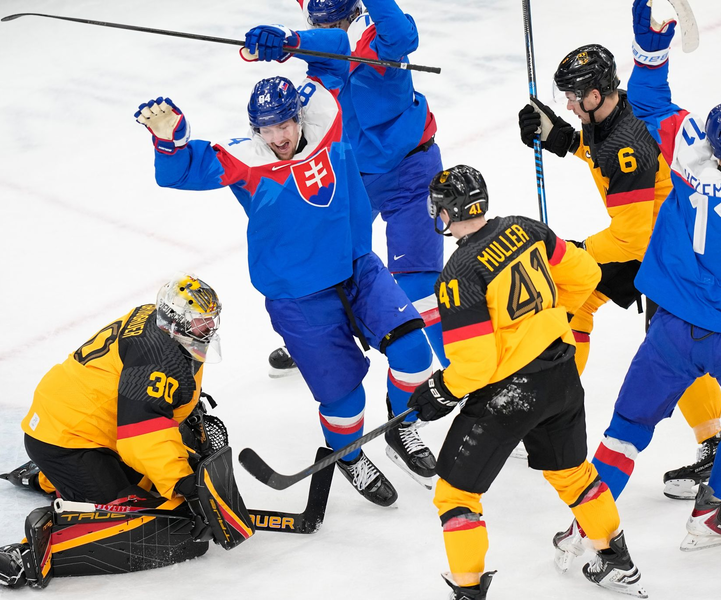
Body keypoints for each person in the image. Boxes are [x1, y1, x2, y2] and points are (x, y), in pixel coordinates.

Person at [136, 26, 438, 502]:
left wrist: (288, 41)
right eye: (268, 128)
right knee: (345, 400)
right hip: (300, 298)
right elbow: (177, 172)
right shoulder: (246, 159)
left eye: (285, 123)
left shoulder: (326, 117)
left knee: (416, 357)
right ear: (256, 129)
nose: (279, 136)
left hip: (358, 269)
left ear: (298, 115)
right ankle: (351, 457)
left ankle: (402, 429)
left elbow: (335, 50)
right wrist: (168, 140)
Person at [559, 0, 721, 554]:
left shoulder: (687, 159)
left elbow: (646, 102)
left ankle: (583, 529)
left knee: (625, 429)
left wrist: (652, 47)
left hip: (668, 331)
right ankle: (712, 515)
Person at [407, 165, 647, 599]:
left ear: (445, 212)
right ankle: (617, 562)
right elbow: (587, 275)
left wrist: (440, 391)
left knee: (455, 495)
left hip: (510, 397)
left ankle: (467, 591)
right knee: (574, 475)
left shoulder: (459, 273)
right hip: (561, 376)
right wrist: (549, 322)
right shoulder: (526, 228)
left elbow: (476, 367)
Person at [518, 43, 721, 500]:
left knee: (675, 348)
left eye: (573, 97)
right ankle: (551, 410)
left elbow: (629, 239)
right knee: (573, 302)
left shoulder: (625, 145)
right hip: (657, 239)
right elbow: (602, 152)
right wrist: (566, 140)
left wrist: (570, 251)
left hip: (669, 253)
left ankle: (715, 447)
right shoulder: (615, 113)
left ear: (595, 95)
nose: (568, 105)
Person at [0, 274, 253, 589]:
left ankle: (49, 476)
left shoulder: (156, 319)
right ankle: (24, 557)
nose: (211, 328)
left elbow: (144, 391)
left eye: (212, 319)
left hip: (78, 420)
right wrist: (184, 484)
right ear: (177, 321)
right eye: (202, 322)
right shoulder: (158, 356)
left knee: (156, 484)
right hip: (67, 438)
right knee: (136, 515)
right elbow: (142, 433)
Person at [262, 0, 447, 382]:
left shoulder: (378, 39)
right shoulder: (323, 41)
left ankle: (467, 373)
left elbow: (402, 34)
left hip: (410, 170)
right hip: (355, 174)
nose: (329, 28)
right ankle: (323, 337)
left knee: (418, 283)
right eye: (319, 22)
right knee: (322, 259)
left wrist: (293, 42)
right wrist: (281, 41)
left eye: (336, 22)